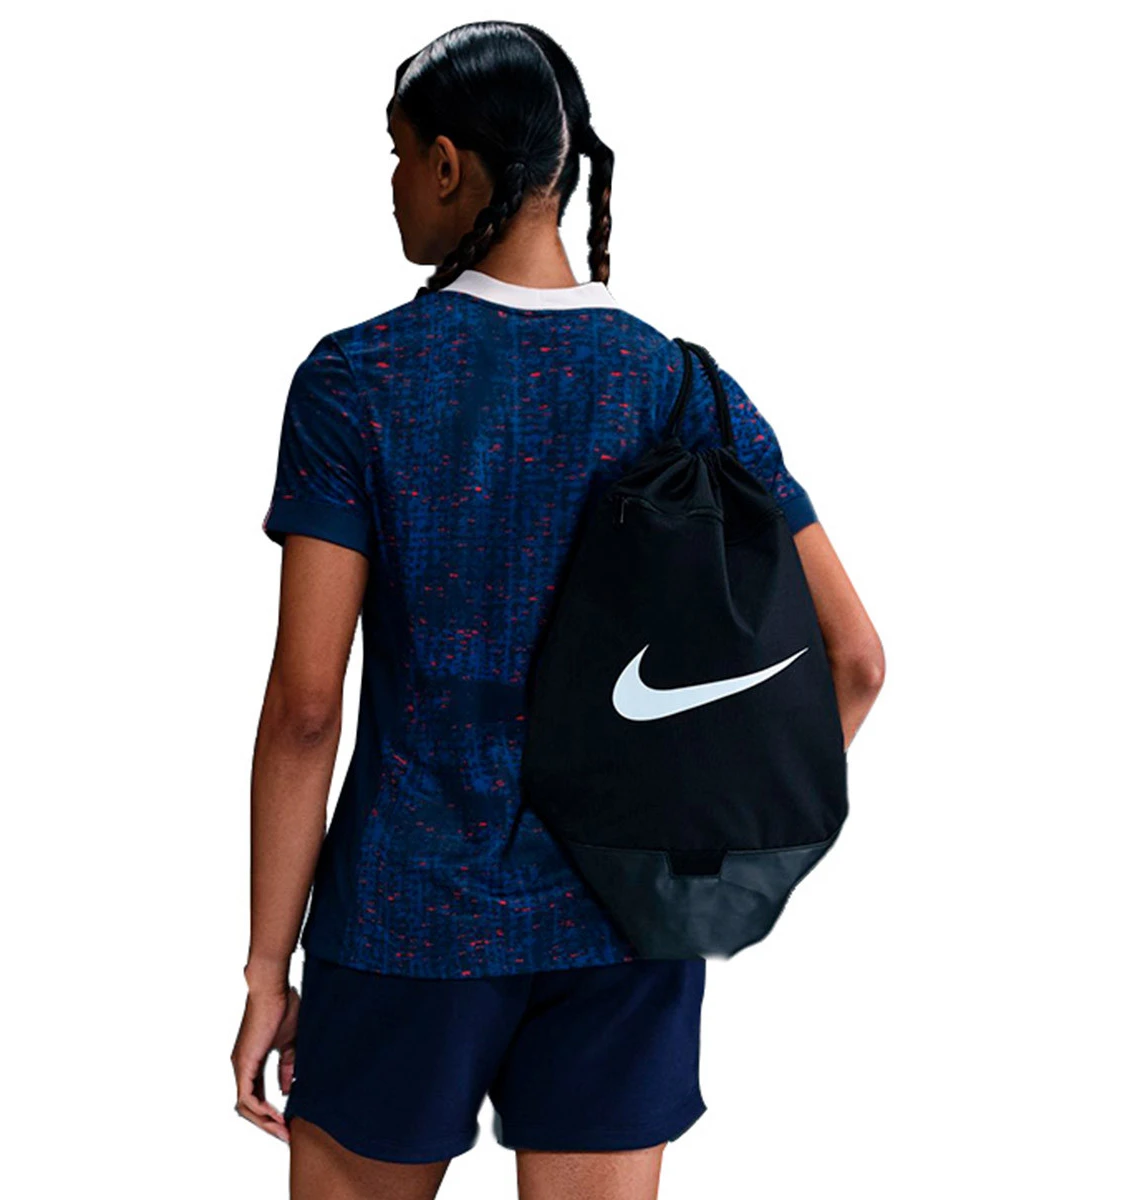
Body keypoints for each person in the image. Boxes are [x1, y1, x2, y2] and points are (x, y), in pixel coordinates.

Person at [231, 20, 885, 1200]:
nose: (390, 184)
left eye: (396, 154)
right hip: (625, 927)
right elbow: (856, 663)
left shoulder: (356, 383)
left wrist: (267, 966)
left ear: (446, 166)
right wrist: (695, 843)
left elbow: (307, 707)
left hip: (404, 921)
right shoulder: (684, 389)